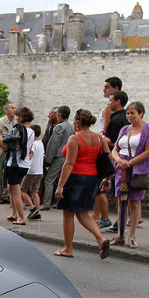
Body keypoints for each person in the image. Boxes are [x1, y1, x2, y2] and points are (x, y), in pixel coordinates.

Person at [53, 109, 111, 259]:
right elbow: (108, 159)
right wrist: (108, 179)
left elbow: (69, 164)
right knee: (84, 214)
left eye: (74, 120)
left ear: (78, 121)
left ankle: (68, 248)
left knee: (68, 214)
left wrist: (60, 186)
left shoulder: (75, 139)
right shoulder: (99, 138)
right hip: (92, 178)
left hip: (75, 178)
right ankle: (101, 239)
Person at [109, 101, 149, 249]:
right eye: (128, 113)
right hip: (121, 169)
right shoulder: (125, 129)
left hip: (136, 169)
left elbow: (148, 151)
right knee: (120, 201)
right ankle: (120, 234)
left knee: (134, 202)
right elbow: (115, 148)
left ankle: (132, 235)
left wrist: (130, 163)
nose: (129, 116)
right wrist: (118, 160)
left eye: (132, 113)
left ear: (141, 113)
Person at [95, 90, 129, 231]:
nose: (109, 103)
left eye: (111, 100)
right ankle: (120, 222)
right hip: (120, 158)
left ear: (118, 101)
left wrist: (100, 137)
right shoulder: (121, 118)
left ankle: (118, 223)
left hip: (116, 159)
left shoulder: (116, 120)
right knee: (120, 194)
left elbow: (114, 141)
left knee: (118, 193)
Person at [0, 106, 34, 224]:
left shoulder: (18, 129)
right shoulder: (31, 131)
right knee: (12, 188)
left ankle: (21, 218)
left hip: (15, 164)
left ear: (21, 117)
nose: (16, 118)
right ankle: (14, 213)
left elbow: (7, 143)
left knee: (16, 192)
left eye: (17, 116)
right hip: (24, 164)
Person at [41, 105, 73, 211]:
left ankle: (46, 203)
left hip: (59, 156)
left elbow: (53, 144)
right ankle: (60, 202)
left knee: (49, 179)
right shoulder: (70, 126)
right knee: (62, 180)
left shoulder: (59, 127)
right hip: (67, 155)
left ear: (59, 115)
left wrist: (48, 158)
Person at [0, 103, 16, 204]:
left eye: (15, 108)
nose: (14, 110)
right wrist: (4, 146)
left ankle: (6, 195)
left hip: (10, 151)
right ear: (6, 111)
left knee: (8, 173)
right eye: (12, 108)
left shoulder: (15, 122)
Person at [22, 124, 44, 220]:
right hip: (39, 171)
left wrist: (26, 164)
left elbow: (31, 155)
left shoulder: (33, 144)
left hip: (32, 171)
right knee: (34, 192)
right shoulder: (41, 143)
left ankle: (32, 207)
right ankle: (37, 211)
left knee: (21, 191)